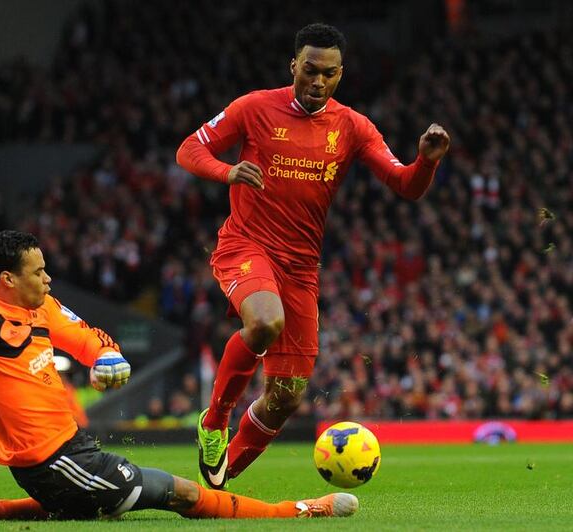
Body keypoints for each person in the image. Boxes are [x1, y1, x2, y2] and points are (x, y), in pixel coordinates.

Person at [0, 230, 358, 522]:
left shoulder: (42, 307)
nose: (48, 279)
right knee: (181, 493)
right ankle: (297, 510)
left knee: (84, 509)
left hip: (70, 452)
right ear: (7, 280)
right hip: (52, 462)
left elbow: (86, 336)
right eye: (38, 272)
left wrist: (107, 356)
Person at [176, 22, 450, 489]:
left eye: (328, 73)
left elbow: (405, 185)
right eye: (309, 70)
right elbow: (190, 149)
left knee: (285, 396)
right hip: (247, 244)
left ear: (341, 74)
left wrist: (426, 161)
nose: (317, 81)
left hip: (301, 268)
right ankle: (214, 422)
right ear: (293, 67)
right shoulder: (255, 107)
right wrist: (227, 172)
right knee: (263, 322)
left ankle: (215, 490)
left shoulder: (352, 126)